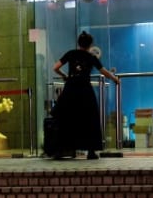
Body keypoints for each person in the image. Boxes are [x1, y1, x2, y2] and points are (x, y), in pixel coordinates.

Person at [50, 31, 120, 159]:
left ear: (78, 43)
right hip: (85, 91)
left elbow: (55, 67)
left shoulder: (70, 53)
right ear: (90, 45)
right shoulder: (91, 57)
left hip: (70, 89)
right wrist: (115, 79)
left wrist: (64, 75)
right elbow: (104, 71)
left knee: (66, 119)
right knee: (89, 119)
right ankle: (91, 151)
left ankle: (60, 150)